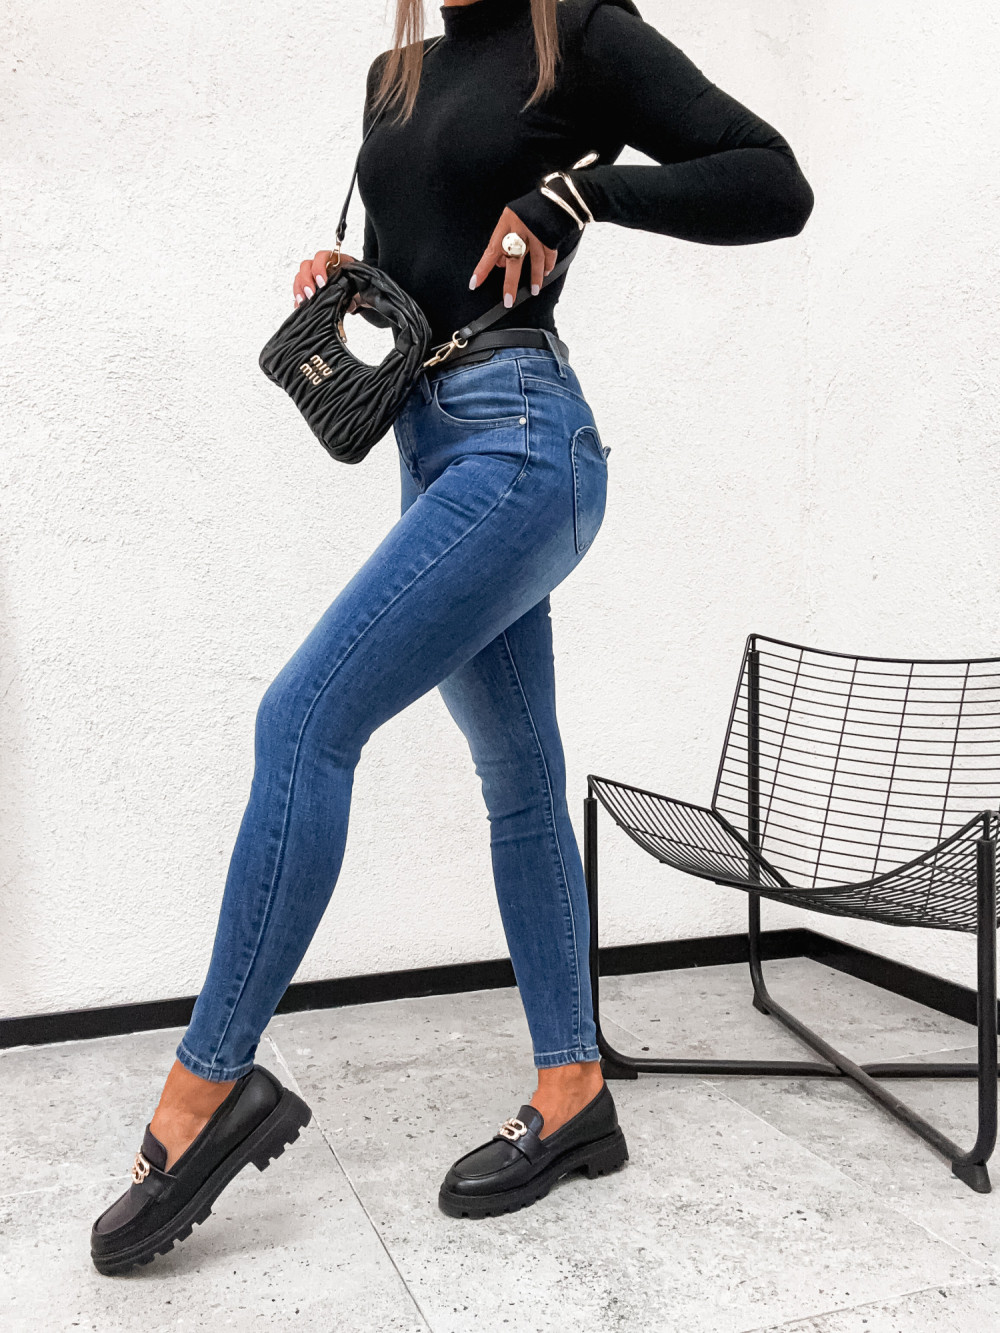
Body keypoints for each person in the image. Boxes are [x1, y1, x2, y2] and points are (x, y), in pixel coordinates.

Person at [91, 0, 813, 1275]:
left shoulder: (580, 35)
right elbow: (426, 258)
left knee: (303, 720)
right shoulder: (398, 71)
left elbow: (773, 182)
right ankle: (574, 1090)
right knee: (519, 782)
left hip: (524, 442)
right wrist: (355, 278)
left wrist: (587, 196)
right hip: (429, 449)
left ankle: (206, 1088)